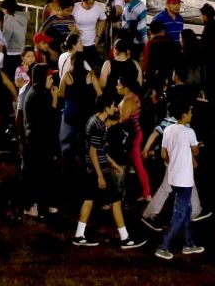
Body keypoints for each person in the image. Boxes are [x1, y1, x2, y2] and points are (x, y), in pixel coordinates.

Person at [71, 103, 146, 251]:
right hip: (98, 170)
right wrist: (100, 176)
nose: (115, 108)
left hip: (92, 168)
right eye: (112, 105)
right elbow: (94, 152)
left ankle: (79, 235)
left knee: (88, 200)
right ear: (106, 107)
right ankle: (125, 239)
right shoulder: (99, 126)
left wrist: (114, 165)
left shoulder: (95, 120)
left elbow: (98, 150)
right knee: (116, 201)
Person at [154, 95, 201, 260]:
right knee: (180, 213)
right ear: (183, 115)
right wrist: (195, 147)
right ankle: (163, 246)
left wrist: (173, 162)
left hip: (173, 176)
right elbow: (196, 152)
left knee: (186, 210)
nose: (191, 115)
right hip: (185, 178)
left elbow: (163, 154)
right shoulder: (189, 132)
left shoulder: (167, 130)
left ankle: (188, 244)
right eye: (190, 112)